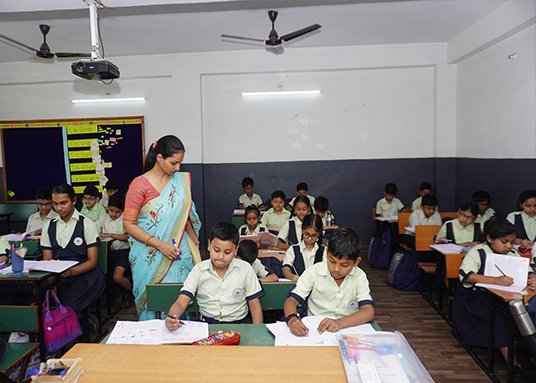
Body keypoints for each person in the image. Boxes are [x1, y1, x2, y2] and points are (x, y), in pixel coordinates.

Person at [124, 135, 201, 320]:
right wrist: (160, 245)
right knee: (154, 305)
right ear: (159, 158)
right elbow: (128, 224)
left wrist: (195, 242)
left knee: (180, 298)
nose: (178, 168)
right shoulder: (139, 185)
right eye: (174, 162)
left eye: (180, 163)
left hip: (179, 251)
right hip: (150, 252)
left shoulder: (180, 182)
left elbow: (185, 216)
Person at [452, 218, 536, 371]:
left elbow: (527, 270)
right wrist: (495, 280)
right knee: (501, 319)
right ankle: (514, 366)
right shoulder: (478, 252)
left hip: (504, 297)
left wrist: (532, 278)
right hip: (475, 298)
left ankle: (528, 353)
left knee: (524, 312)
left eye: (511, 242)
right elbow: (466, 275)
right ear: (490, 238)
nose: (509, 246)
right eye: (504, 242)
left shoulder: (512, 252)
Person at [165, 222, 263, 327]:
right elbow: (182, 301)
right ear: (209, 245)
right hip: (206, 325)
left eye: (227, 252)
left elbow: (255, 306)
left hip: (239, 324)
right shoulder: (199, 270)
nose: (221, 256)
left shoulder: (245, 269)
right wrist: (172, 317)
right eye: (216, 250)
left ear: (236, 250)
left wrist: (256, 331)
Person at [283, 227, 375, 336]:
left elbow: (368, 312)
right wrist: (292, 319)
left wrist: (339, 323)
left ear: (356, 262)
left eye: (344, 265)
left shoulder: (359, 276)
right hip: (315, 331)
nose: (336, 269)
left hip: (348, 329)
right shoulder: (313, 272)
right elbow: (291, 301)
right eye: (332, 261)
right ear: (326, 253)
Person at [40, 183, 105, 313]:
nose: (58, 208)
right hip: (59, 274)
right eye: (55, 204)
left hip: (84, 274)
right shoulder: (48, 226)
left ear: (74, 201)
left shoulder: (87, 224)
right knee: (41, 299)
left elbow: (92, 261)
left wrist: (71, 272)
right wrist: (51, 282)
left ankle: (73, 329)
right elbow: (48, 259)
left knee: (69, 305)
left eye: (63, 203)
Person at [98, 194, 132, 305]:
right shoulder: (103, 218)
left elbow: (128, 237)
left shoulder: (126, 220)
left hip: (123, 252)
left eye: (117, 212)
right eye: (111, 210)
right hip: (107, 253)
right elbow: (95, 230)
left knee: (117, 277)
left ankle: (131, 292)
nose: (113, 214)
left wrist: (111, 235)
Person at [282, 214, 326, 281]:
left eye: (314, 236)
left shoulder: (324, 251)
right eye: (306, 234)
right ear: (302, 230)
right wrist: (293, 277)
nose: (310, 238)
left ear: (319, 234)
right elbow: (285, 270)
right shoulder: (293, 250)